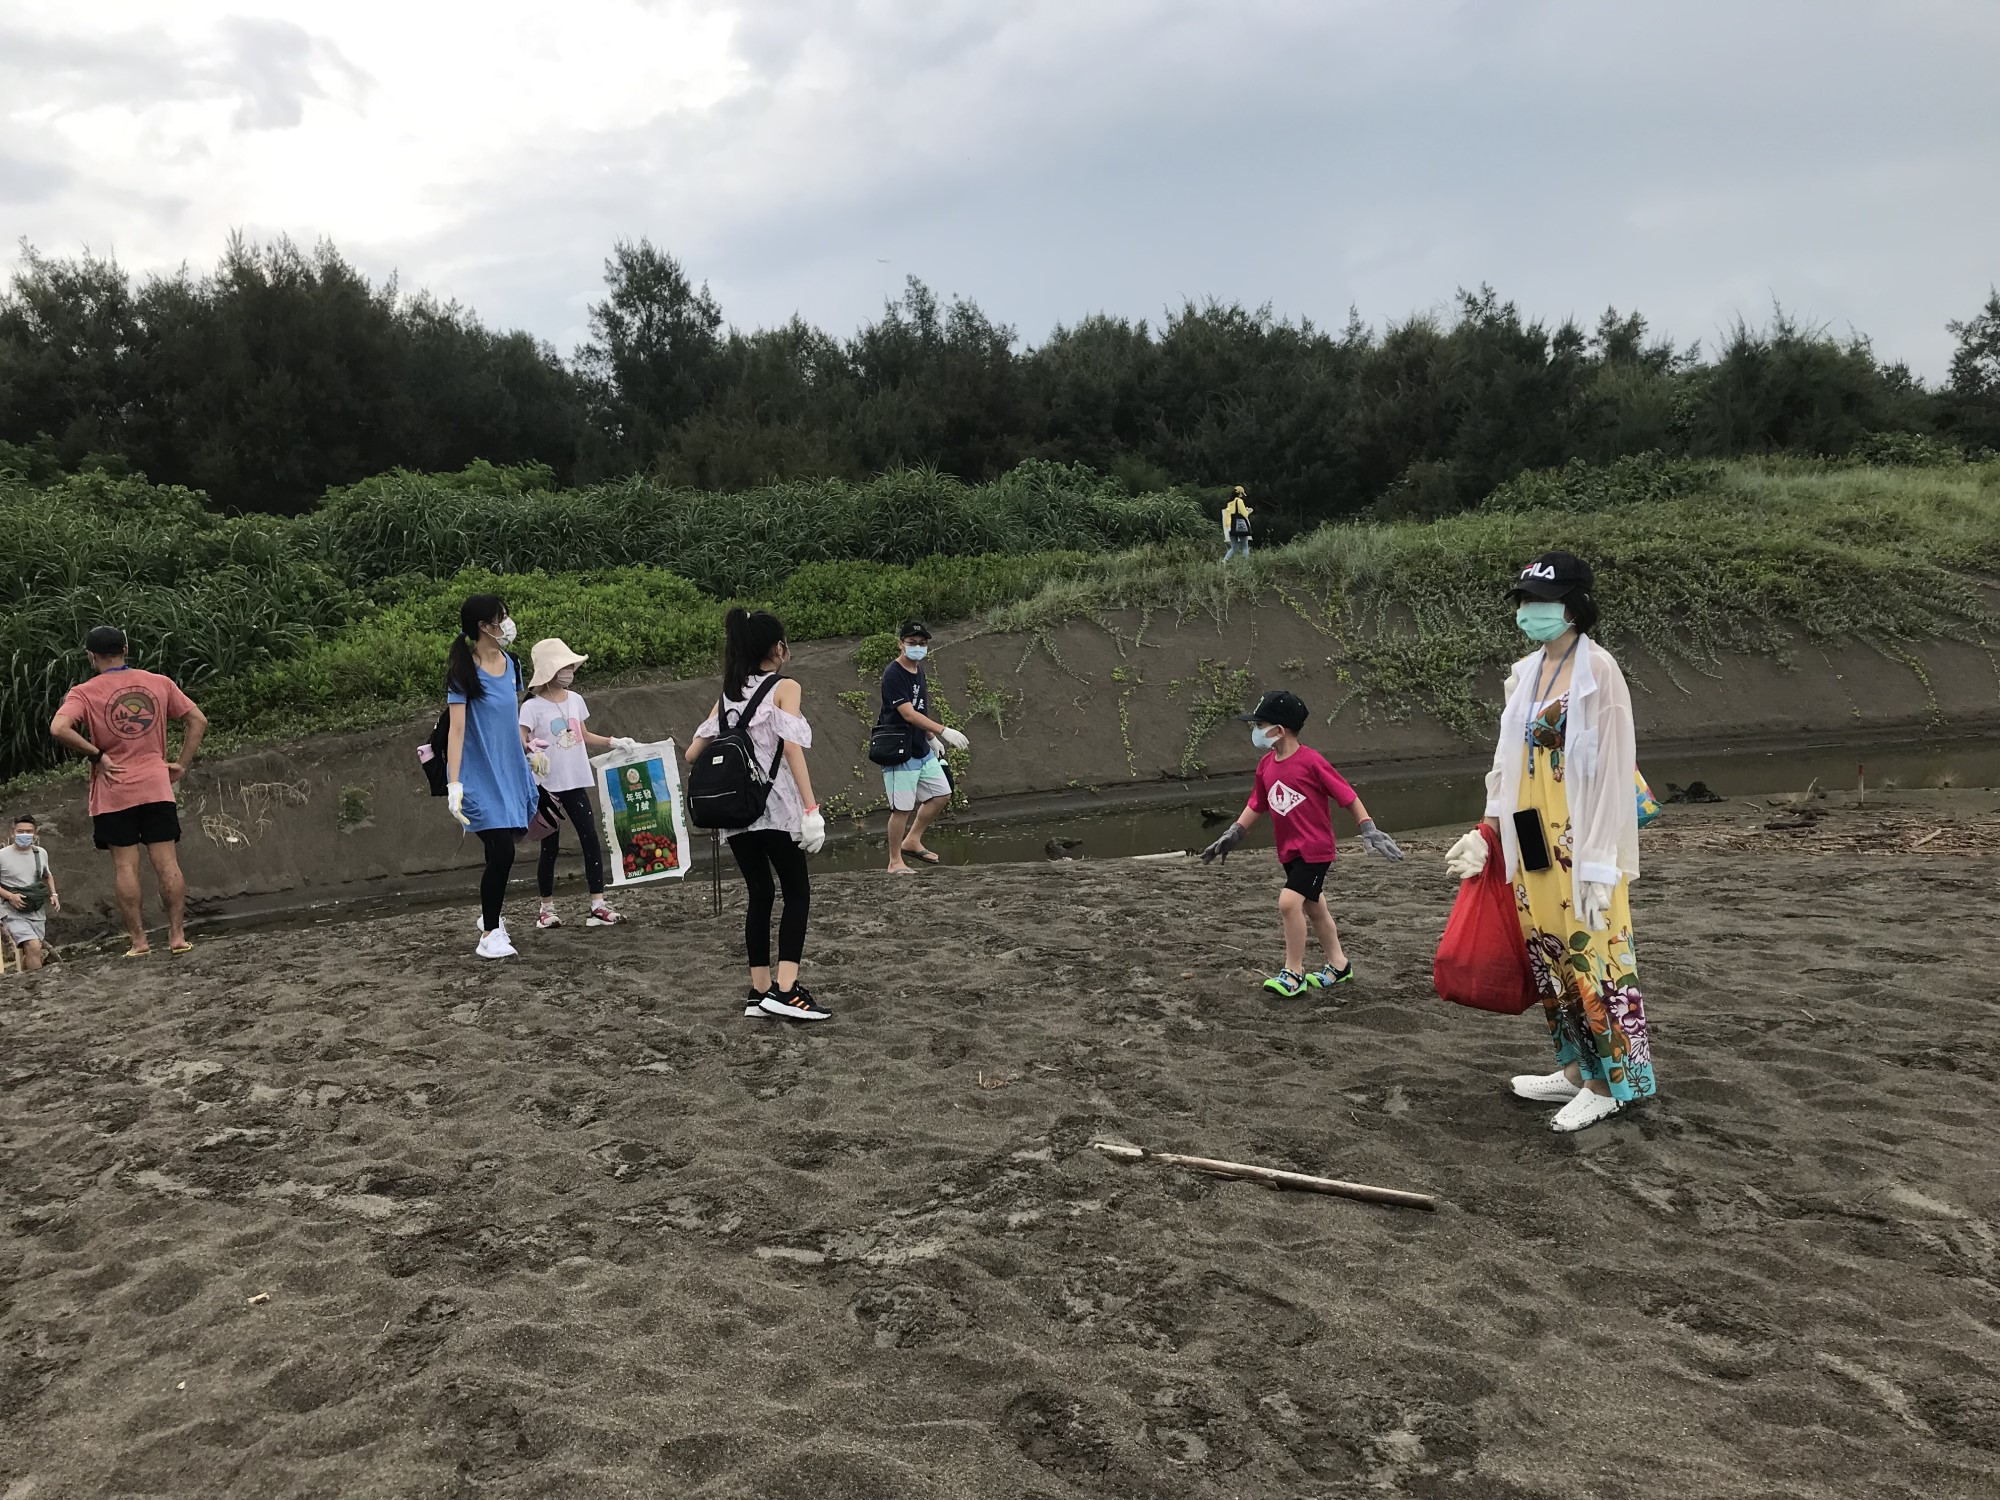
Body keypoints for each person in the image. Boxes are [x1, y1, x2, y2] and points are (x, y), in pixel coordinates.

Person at [1442, 550, 1654, 1134]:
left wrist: (1601, 863)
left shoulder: (1600, 672)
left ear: (1574, 606)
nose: (1530, 610)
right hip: (1530, 834)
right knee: (1550, 952)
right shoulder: (1526, 673)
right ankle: (1576, 1069)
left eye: (1542, 600)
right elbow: (1506, 762)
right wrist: (1487, 831)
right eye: (1525, 600)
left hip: (1580, 840)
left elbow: (1614, 772)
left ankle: (1613, 1085)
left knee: (1596, 955)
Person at [1200, 688, 1404, 996]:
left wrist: (1368, 827)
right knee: (1313, 905)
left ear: (1279, 730)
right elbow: (1258, 803)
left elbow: (1347, 795)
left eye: (1260, 725)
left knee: (1288, 903)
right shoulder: (1266, 765)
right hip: (1289, 851)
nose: (1256, 731)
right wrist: (1235, 831)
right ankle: (1339, 965)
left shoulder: (1311, 762)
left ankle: (1293, 973)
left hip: (1315, 850)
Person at [688, 608, 829, 1021]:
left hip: (736, 815)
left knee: (761, 893)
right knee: (797, 892)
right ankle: (787, 992)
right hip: (776, 808)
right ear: (777, 647)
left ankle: (760, 991)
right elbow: (792, 748)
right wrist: (811, 809)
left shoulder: (726, 695)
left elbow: (693, 753)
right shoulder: (785, 686)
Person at [49, 626, 206, 957]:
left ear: (91, 656)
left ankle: (139, 942)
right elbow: (198, 720)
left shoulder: (84, 692)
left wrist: (98, 755)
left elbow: (59, 728)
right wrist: (181, 763)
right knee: (167, 862)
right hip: (156, 786)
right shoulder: (159, 682)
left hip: (114, 790)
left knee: (125, 867)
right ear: (126, 649)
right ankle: (177, 937)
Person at [518, 637, 641, 931]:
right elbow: (520, 739)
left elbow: (583, 735)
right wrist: (530, 750)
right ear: (549, 669)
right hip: (546, 787)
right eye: (564, 666)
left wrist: (613, 741)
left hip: (574, 781)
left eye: (571, 666)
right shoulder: (532, 707)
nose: (570, 671)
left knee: (590, 839)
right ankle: (546, 908)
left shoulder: (575, 699)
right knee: (550, 847)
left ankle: (598, 904)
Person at [445, 594, 539, 960]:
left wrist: (529, 748)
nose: (509, 622)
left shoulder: (512, 663)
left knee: (501, 846)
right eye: (502, 617)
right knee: (502, 850)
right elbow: (456, 731)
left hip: (509, 769)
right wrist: (455, 784)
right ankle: (488, 934)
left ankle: (492, 914)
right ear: (485, 626)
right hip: (477, 775)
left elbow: (509, 717)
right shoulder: (463, 670)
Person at [876, 620, 969, 873]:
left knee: (942, 793)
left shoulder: (918, 671)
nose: (917, 647)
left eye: (922, 643)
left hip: (919, 747)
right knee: (901, 809)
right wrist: (943, 730)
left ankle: (912, 840)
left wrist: (930, 737)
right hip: (898, 750)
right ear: (901, 644)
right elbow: (907, 713)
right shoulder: (894, 673)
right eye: (912, 642)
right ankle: (895, 861)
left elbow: (920, 710)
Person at [0, 814, 59, 971]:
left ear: (35, 834)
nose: (24, 835)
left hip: (35, 910)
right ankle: (40, 981)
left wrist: (54, 894)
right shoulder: (2, 856)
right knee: (32, 945)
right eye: (20, 831)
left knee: (35, 948)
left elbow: (47, 875)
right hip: (11, 911)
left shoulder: (40, 853)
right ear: (12, 833)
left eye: (29, 832)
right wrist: (10, 896)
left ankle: (27, 978)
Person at [1221, 486, 1254, 563]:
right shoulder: (1239, 501)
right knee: (1245, 546)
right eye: (1242, 494)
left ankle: (1224, 560)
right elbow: (1244, 514)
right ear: (1239, 493)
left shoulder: (1230, 503)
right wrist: (1249, 511)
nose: (1242, 495)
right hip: (1239, 526)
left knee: (1234, 547)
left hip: (1230, 527)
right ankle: (1245, 563)